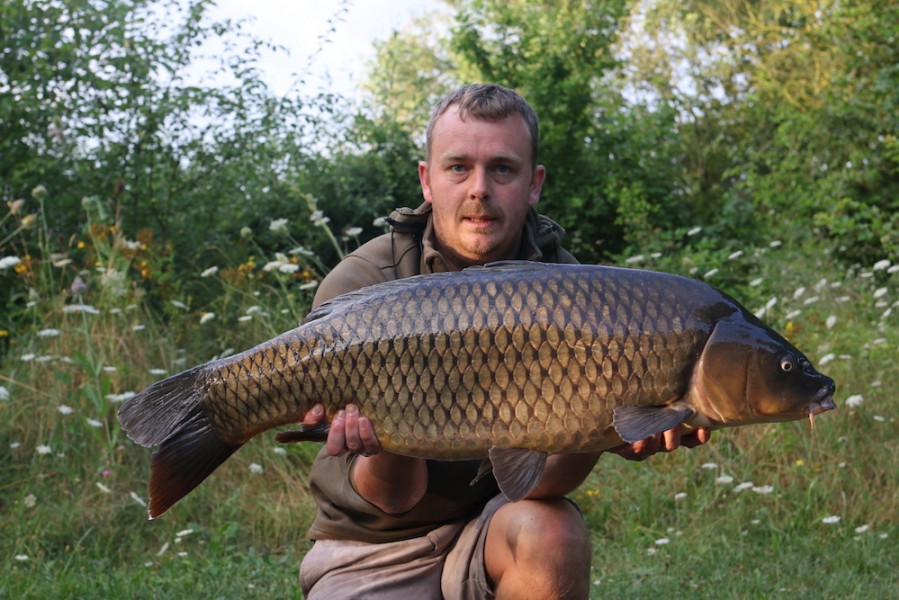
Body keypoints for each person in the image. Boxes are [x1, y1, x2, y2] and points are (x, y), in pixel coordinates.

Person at [296, 83, 711, 600]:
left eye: (502, 168)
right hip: (373, 545)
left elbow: (534, 485)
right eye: (458, 168)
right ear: (427, 180)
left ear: (533, 184)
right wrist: (385, 437)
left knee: (552, 532)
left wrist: (605, 428)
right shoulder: (365, 283)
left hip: (497, 528)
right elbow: (392, 499)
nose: (479, 189)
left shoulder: (577, 291)